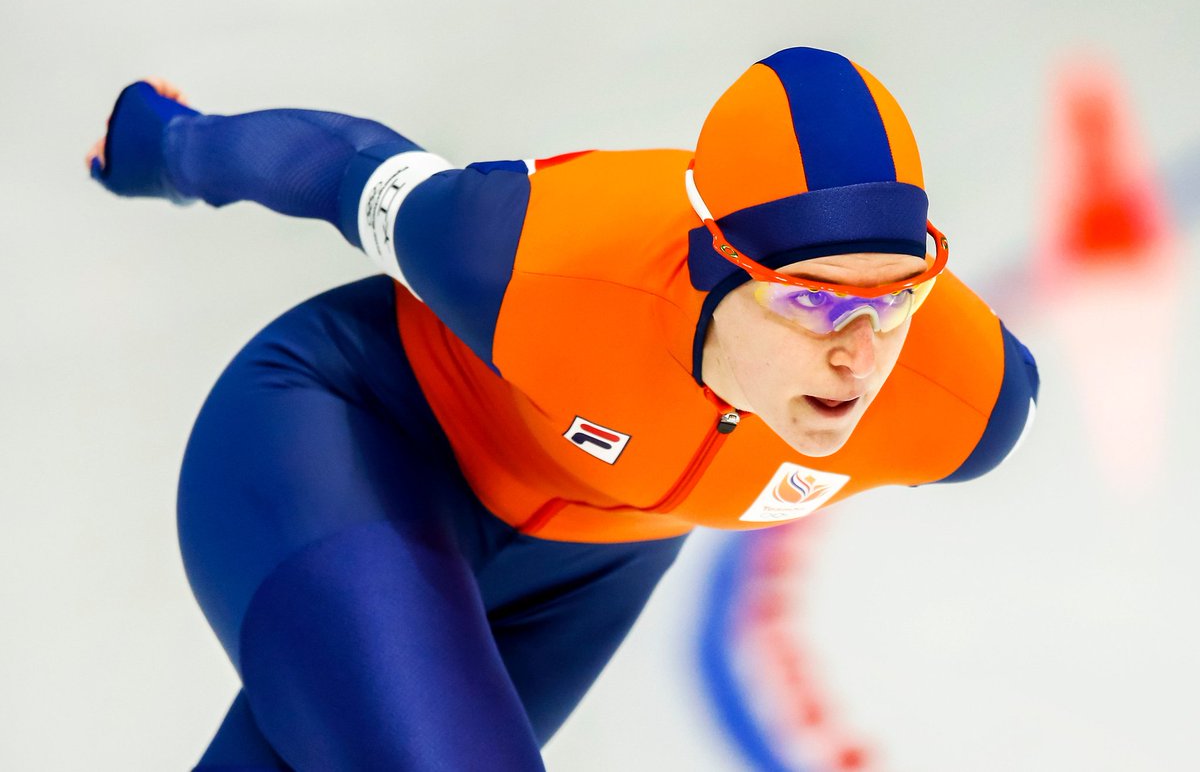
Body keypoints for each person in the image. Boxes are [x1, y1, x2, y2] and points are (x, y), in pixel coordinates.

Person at [87, 47, 1039, 771]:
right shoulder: (534, 254)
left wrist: (868, 308)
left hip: (587, 571)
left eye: (896, 298)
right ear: (710, 269)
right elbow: (339, 168)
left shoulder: (960, 399)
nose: (859, 353)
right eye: (811, 299)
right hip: (356, 443)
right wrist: (165, 146)